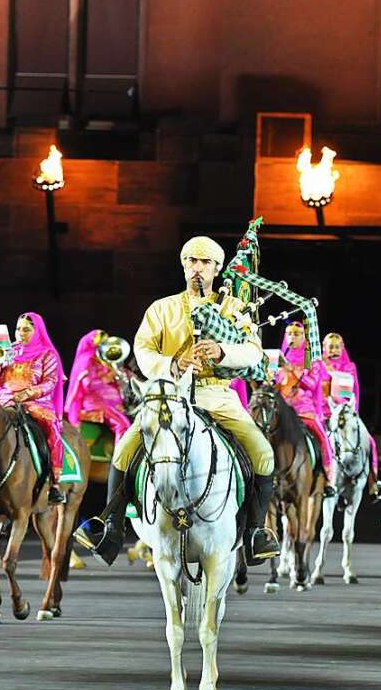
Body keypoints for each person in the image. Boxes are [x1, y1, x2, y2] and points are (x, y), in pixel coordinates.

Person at [73, 235, 280, 565]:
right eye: (192, 261)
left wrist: (221, 351)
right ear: (184, 266)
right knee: (126, 448)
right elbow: (142, 351)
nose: (198, 267)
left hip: (217, 395)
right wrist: (172, 364)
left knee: (263, 453)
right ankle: (109, 525)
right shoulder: (161, 309)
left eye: (205, 262)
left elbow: (253, 351)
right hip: (169, 395)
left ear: (217, 268)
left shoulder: (234, 308)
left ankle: (255, 532)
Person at [0, 312, 67, 505]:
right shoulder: (7, 350)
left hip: (34, 404)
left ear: (36, 331)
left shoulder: (47, 355)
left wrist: (28, 393)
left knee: (52, 429)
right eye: (18, 329)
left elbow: (50, 382)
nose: (20, 333)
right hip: (5, 403)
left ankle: (55, 483)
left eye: (26, 329)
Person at [275, 322, 336, 498]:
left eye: (297, 334)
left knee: (323, 439)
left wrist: (292, 370)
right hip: (282, 410)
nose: (292, 337)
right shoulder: (280, 358)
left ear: (304, 337)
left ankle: (328, 478)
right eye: (289, 334)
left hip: (304, 410)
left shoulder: (313, 361)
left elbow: (311, 384)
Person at [318, 332, 379, 494]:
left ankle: (373, 481)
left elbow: (352, 392)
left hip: (344, 412)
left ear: (342, 347)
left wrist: (352, 411)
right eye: (330, 346)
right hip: (323, 412)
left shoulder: (349, 367)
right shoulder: (318, 365)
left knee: (370, 441)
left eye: (337, 346)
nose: (333, 349)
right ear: (324, 348)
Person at [64, 329, 132, 443]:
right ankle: (121, 460)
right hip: (94, 403)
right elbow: (87, 385)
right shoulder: (86, 360)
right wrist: (107, 377)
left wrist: (126, 375)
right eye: (101, 343)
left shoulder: (104, 361)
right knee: (123, 424)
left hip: (110, 403)